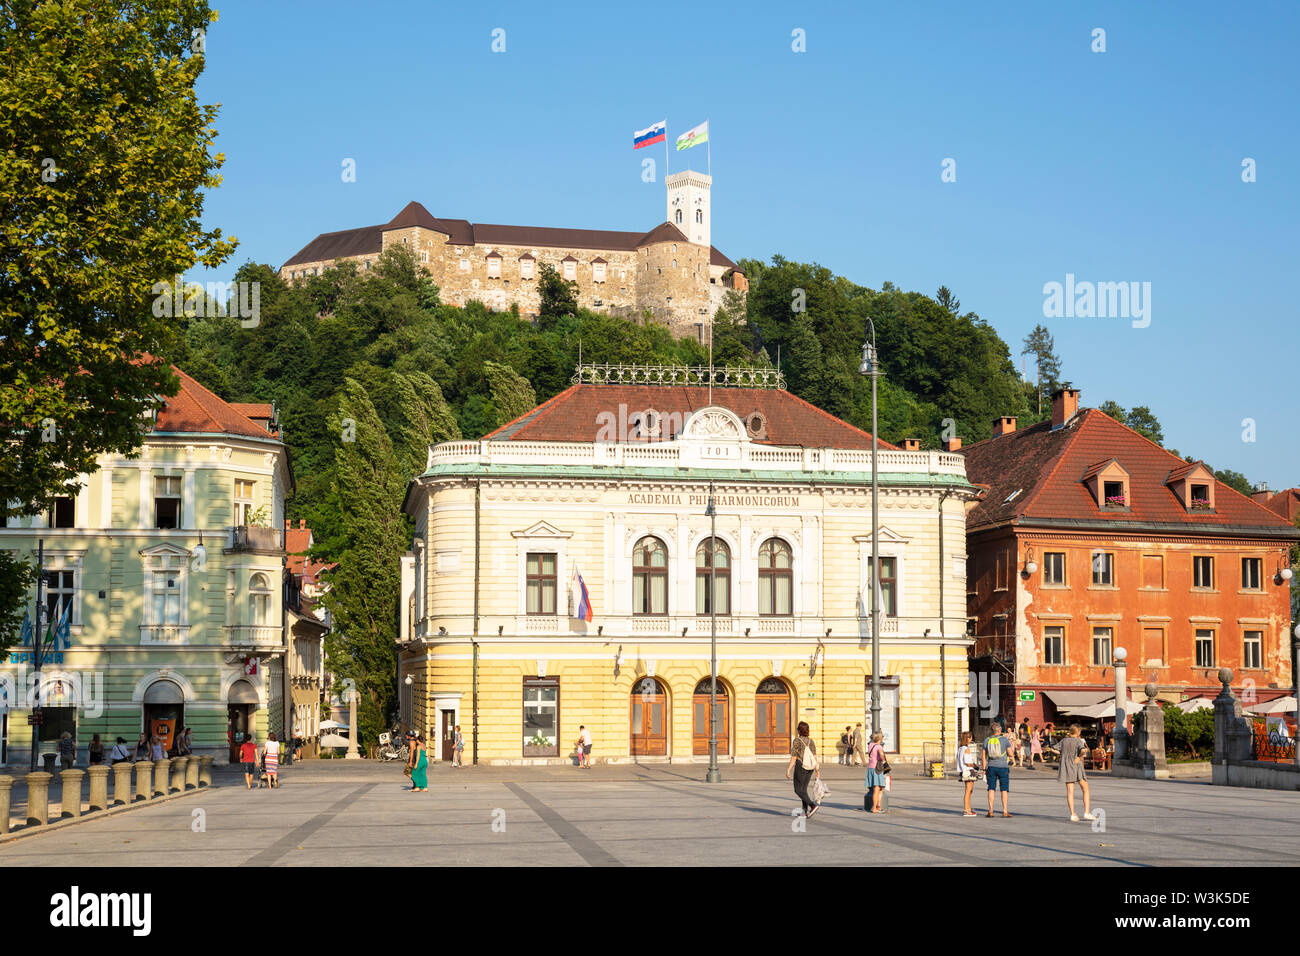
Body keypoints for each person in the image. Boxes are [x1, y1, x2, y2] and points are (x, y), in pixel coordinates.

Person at [1057, 724, 1096, 822]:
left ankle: (1073, 814)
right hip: (1077, 766)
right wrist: (1079, 757)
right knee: (1085, 789)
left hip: (1066, 767)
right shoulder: (1079, 741)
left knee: (1070, 792)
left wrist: (1063, 755)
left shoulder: (1063, 740)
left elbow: (1054, 749)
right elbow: (1083, 751)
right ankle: (1086, 812)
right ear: (1078, 732)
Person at [785, 721, 821, 818]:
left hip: (801, 766)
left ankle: (812, 805)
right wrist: (817, 770)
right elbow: (814, 756)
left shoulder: (797, 741)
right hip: (810, 767)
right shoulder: (811, 741)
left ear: (799, 730)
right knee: (803, 790)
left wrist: (788, 769)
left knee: (797, 790)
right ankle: (805, 812)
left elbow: (794, 756)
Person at [981, 721, 1013, 817]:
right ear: (999, 730)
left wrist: (984, 769)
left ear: (992, 731)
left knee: (991, 788)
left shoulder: (987, 740)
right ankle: (1005, 811)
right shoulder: (1004, 740)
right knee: (1004, 789)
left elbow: (983, 756)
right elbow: (1011, 754)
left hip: (991, 767)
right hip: (1003, 767)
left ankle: (991, 811)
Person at [864, 730, 887, 812]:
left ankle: (878, 806)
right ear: (880, 738)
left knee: (880, 788)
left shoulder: (870, 745)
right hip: (877, 769)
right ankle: (874, 807)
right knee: (877, 788)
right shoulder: (879, 747)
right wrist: (883, 756)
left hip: (871, 767)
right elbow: (881, 757)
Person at [956, 731, 979, 816]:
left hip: (963, 770)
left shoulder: (960, 748)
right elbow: (968, 762)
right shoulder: (966, 749)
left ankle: (968, 808)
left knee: (969, 791)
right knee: (968, 791)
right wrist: (975, 766)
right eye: (970, 737)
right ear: (967, 738)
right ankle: (967, 810)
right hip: (968, 770)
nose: (971, 739)